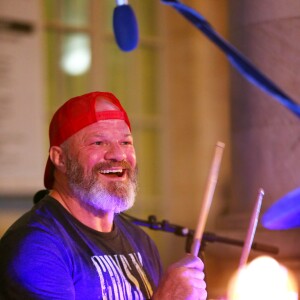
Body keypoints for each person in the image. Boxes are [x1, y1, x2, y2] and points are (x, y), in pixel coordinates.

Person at [0, 91, 207, 300]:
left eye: (126, 142)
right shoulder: (36, 248)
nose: (118, 154)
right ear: (60, 158)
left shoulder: (140, 241)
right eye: (98, 143)